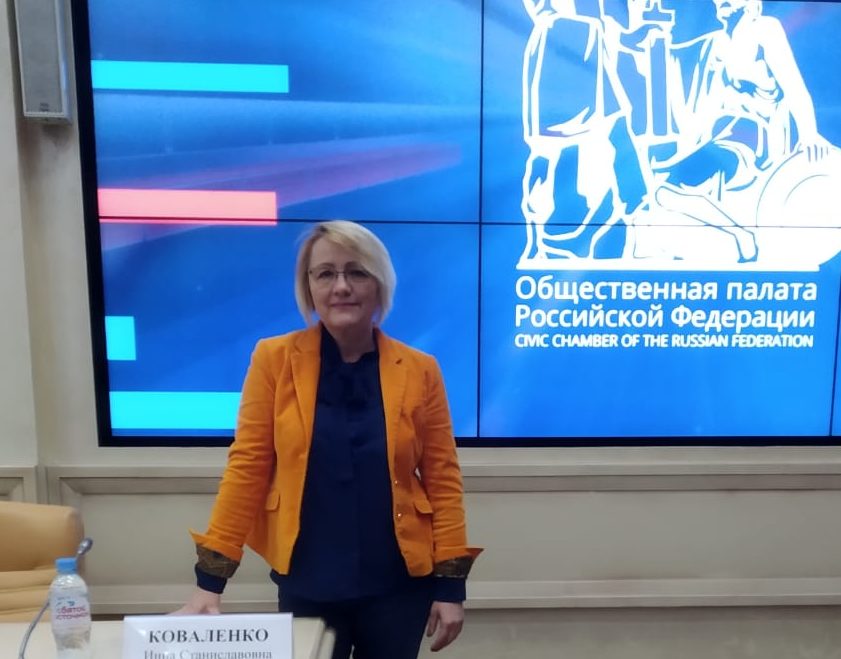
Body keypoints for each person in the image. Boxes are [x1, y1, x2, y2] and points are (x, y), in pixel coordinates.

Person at [175, 220, 481, 659]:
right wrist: (210, 583)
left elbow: (442, 479)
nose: (341, 286)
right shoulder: (273, 359)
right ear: (309, 287)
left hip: (399, 588)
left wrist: (451, 587)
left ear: (379, 283)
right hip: (308, 585)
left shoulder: (420, 370)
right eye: (325, 274)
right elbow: (247, 469)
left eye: (357, 272)